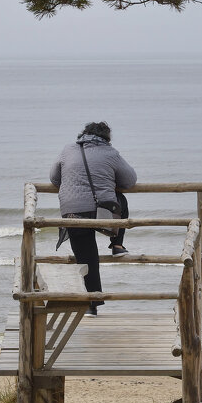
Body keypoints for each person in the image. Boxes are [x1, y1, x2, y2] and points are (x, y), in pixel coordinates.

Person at [49, 121, 137, 315]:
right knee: (121, 199)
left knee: (87, 258)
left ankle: (92, 306)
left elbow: (54, 179)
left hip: (72, 211)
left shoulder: (67, 150)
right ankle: (117, 245)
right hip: (104, 210)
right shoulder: (110, 153)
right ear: (106, 137)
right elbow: (130, 181)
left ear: (83, 135)